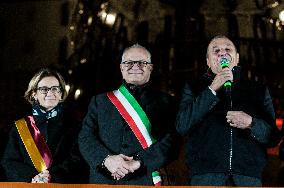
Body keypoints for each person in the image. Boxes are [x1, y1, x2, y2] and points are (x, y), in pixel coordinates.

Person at [176, 35, 281, 186]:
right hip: (206, 176)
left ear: (237, 58)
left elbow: (273, 138)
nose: (222, 53)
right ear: (208, 61)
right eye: (216, 50)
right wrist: (211, 90)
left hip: (247, 177)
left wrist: (251, 123)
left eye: (227, 49)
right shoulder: (193, 88)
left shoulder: (258, 90)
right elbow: (182, 125)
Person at [78, 44, 178, 185]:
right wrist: (106, 159)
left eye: (142, 62)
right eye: (129, 62)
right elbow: (85, 137)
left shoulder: (167, 102)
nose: (135, 66)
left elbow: (171, 142)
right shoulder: (99, 101)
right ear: (121, 67)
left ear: (151, 67)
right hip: (104, 180)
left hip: (145, 180)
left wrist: (138, 162)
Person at [1, 68, 86, 183]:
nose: (50, 93)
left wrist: (51, 178)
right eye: (44, 89)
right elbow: (9, 161)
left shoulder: (74, 126)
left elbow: (77, 160)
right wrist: (32, 177)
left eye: (55, 89)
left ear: (61, 94)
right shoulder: (20, 127)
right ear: (34, 94)